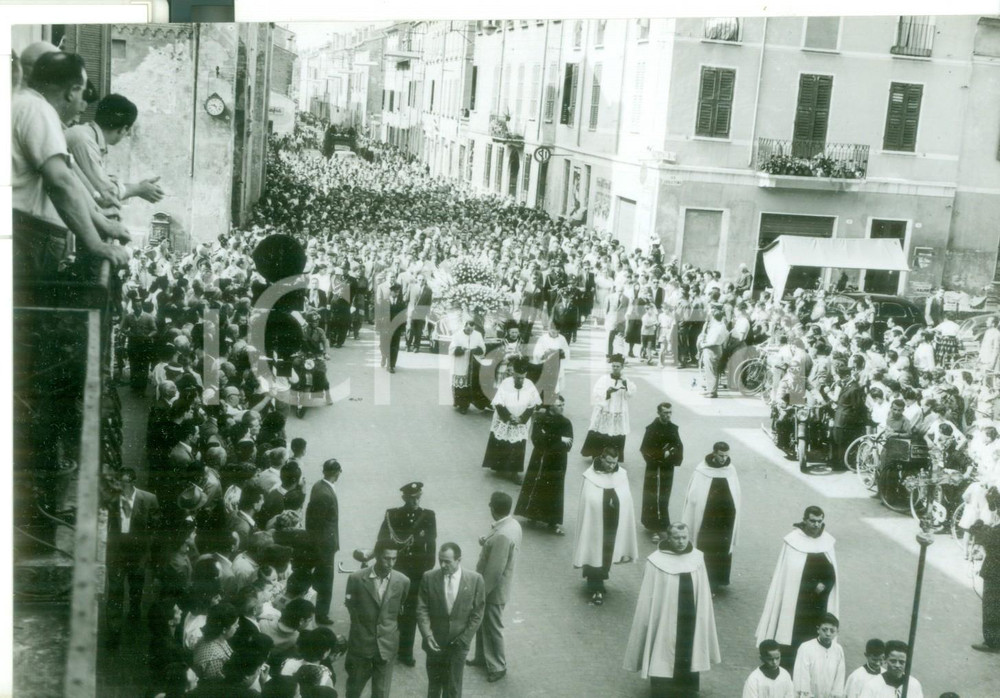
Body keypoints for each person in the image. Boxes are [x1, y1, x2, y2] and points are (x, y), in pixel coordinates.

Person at [12, 50, 129, 282]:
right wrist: (95, 243)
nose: (82, 107)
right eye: (82, 93)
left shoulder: (23, 104)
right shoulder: (38, 110)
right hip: (27, 236)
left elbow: (68, 177)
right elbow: (61, 182)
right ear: (72, 91)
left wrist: (103, 222)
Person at [623, 523, 720, 698]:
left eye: (684, 537)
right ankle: (662, 687)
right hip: (665, 616)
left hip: (690, 613)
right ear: (668, 538)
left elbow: (703, 591)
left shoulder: (697, 558)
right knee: (663, 646)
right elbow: (649, 596)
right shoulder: (656, 561)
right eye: (676, 538)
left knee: (688, 648)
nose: (681, 541)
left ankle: (687, 687)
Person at [756, 506, 839, 671]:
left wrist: (825, 585)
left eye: (819, 521)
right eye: (812, 521)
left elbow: (832, 572)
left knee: (815, 630)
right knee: (795, 632)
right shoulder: (793, 540)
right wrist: (809, 588)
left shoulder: (827, 541)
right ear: (805, 520)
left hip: (819, 600)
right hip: (796, 599)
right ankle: (791, 662)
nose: (816, 525)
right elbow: (789, 575)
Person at [65, 93, 164, 219]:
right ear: (123, 129)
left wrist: (137, 188)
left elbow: (102, 183)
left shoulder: (88, 137)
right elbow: (104, 193)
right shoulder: (84, 141)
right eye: (128, 131)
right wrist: (138, 189)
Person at [375, 482, 437, 667]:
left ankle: (405, 652)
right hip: (396, 569)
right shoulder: (393, 515)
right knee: (390, 608)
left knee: (410, 613)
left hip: (416, 574)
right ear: (404, 498)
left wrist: (425, 571)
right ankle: (384, 647)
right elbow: (382, 541)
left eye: (418, 497)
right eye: (412, 498)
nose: (416, 501)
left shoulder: (428, 516)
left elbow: (431, 547)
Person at [416, 543, 486, 698]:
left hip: (458, 644)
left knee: (453, 687)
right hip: (435, 642)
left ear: (458, 560)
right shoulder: (429, 577)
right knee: (434, 686)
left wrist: (464, 639)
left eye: (447, 561)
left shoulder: (475, 580)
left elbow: (478, 613)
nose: (442, 565)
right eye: (440, 560)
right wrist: (427, 635)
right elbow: (422, 609)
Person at [344, 540, 411, 698]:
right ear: (377, 556)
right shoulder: (356, 578)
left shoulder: (403, 581)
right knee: (354, 689)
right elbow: (350, 605)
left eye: (394, 559)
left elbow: (401, 606)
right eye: (386, 558)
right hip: (361, 644)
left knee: (381, 693)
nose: (390, 563)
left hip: (387, 645)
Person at [572, 447, 639, 606]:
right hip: (594, 522)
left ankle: (599, 581)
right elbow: (588, 499)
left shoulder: (621, 474)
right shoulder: (591, 476)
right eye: (608, 462)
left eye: (614, 462)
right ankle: (596, 586)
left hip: (613, 521)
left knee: (607, 551)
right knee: (594, 550)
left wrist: (615, 503)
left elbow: (625, 498)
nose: (611, 466)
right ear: (602, 458)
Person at [468, 492, 522, 684]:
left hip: (493, 591)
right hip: (499, 588)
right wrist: (487, 542)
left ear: (493, 509)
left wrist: (481, 593)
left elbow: (494, 570)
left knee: (492, 626)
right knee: (484, 624)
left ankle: (498, 666)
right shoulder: (512, 525)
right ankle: (482, 657)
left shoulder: (502, 535)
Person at [106, 468, 160, 642]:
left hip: (138, 552)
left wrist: (148, 550)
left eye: (124, 483)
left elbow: (155, 526)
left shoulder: (149, 499)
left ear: (133, 482)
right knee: (115, 590)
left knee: (136, 586)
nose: (120, 486)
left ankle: (134, 611)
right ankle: (114, 629)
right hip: (117, 551)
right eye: (118, 483)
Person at [680, 441, 741, 592]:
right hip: (707, 518)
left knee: (722, 548)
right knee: (707, 548)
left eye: (726, 455)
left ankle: (719, 579)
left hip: (725, 519)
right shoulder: (702, 470)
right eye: (721, 455)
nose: (723, 459)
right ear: (714, 453)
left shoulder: (730, 469)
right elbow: (693, 495)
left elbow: (736, 493)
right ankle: (705, 581)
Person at [514, 395, 573, 535]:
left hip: (557, 462)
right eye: (559, 405)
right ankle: (532, 515)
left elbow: (569, 444)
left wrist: (548, 439)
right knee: (537, 485)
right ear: (551, 406)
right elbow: (536, 440)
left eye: (563, 405)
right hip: (540, 459)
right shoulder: (540, 419)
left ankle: (552, 522)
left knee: (555, 490)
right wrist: (559, 439)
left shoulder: (566, 423)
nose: (562, 408)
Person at [481, 357, 541, 485]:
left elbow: (533, 405)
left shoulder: (529, 385)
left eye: (522, 378)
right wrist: (508, 417)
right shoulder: (506, 383)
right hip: (505, 418)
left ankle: (514, 473)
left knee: (518, 445)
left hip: (521, 420)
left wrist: (522, 418)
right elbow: (498, 402)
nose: (519, 380)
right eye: (517, 377)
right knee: (502, 442)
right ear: (513, 374)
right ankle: (499, 467)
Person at [638, 402, 684, 540]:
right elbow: (644, 449)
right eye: (665, 413)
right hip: (654, 468)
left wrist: (670, 452)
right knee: (654, 497)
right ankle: (654, 528)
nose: (668, 415)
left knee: (664, 496)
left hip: (667, 467)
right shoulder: (652, 429)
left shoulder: (673, 428)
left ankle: (663, 525)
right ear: (659, 413)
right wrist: (660, 455)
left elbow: (678, 445)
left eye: (670, 412)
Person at [581, 354, 636, 462]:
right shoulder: (604, 379)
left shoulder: (625, 380)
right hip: (606, 409)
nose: (615, 368)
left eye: (618, 366)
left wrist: (626, 387)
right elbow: (596, 393)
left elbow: (630, 394)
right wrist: (608, 392)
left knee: (615, 431)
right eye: (613, 366)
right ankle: (597, 455)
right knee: (602, 431)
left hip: (618, 409)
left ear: (622, 367)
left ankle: (613, 457)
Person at [306, 459, 341, 625]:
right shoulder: (325, 494)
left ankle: (319, 611)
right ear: (337, 472)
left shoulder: (319, 486)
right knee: (326, 580)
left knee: (322, 578)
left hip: (324, 543)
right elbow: (317, 524)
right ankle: (322, 614)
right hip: (324, 545)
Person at [969, 491, 1000, 653]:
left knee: (991, 607)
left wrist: (978, 527)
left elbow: (989, 539)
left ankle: (992, 642)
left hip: (996, 571)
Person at [792, 613, 846, 698]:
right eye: (824, 630)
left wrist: (836, 695)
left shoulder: (838, 649)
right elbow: (802, 676)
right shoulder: (806, 647)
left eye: (832, 631)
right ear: (818, 629)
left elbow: (840, 677)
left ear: (837, 632)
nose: (828, 634)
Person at [448, 317, 487, 413]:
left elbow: (483, 348)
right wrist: (460, 349)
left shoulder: (478, 335)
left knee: (473, 383)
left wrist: (475, 350)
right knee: (461, 383)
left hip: (473, 363)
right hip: (461, 362)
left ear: (474, 328)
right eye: (468, 329)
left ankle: (475, 403)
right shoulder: (457, 335)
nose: (470, 331)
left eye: (472, 329)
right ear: (464, 327)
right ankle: (462, 405)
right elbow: (451, 349)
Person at [858, 641, 923, 698]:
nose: (897, 665)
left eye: (901, 662)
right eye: (893, 661)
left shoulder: (914, 684)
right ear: (885, 659)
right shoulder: (872, 685)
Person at [698, 309, 730, 398]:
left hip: (712, 349)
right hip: (716, 348)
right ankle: (710, 389)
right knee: (711, 370)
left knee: (711, 371)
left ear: (713, 317)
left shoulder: (717, 327)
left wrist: (703, 345)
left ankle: (712, 392)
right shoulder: (721, 325)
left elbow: (713, 341)